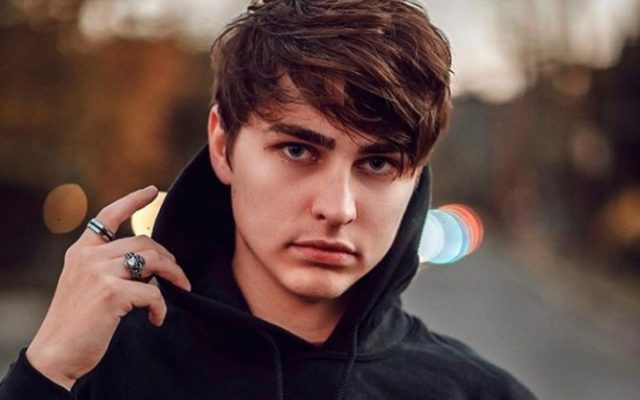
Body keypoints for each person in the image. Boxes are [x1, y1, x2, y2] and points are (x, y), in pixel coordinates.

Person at [0, 0, 536, 399]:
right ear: (222, 145)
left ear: (415, 177)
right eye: (298, 150)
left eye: (377, 164)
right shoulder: (97, 371)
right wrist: (45, 373)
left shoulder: (479, 393)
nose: (338, 208)